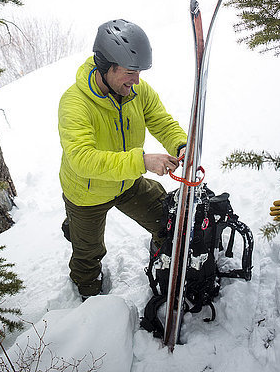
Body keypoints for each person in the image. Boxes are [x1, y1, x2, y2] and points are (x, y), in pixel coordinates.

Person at [58, 19, 187, 300]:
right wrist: (142, 162)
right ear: (108, 67)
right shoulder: (74, 103)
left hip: (127, 183)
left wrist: (180, 144)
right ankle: (87, 298)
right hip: (87, 193)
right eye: (130, 72)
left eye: (139, 72)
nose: (137, 80)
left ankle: (163, 262)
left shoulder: (135, 91)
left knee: (168, 220)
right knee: (88, 257)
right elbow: (82, 159)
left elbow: (161, 121)